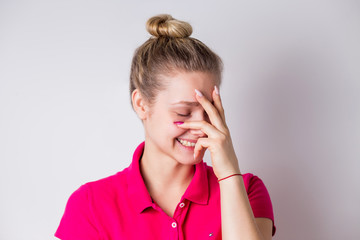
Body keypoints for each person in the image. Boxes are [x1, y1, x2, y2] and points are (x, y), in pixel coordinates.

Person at [55, 14, 276, 240]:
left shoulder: (246, 190)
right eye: (183, 112)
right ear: (141, 104)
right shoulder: (90, 205)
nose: (201, 128)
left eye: (210, 111)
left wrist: (229, 173)